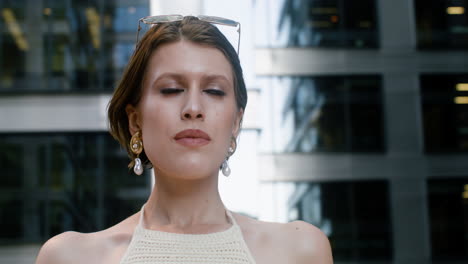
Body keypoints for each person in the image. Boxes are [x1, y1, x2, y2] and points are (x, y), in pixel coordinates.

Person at [35, 15, 333, 264]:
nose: (193, 109)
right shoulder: (70, 256)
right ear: (135, 119)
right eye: (171, 90)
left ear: (236, 123)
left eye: (214, 91)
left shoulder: (301, 251)